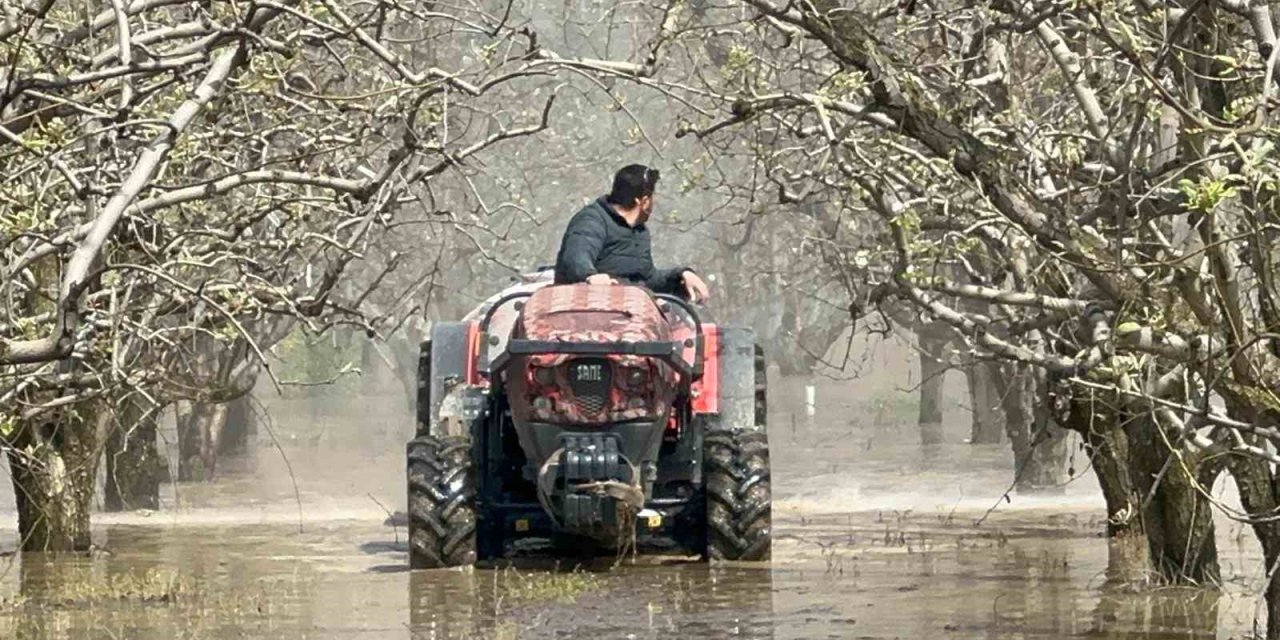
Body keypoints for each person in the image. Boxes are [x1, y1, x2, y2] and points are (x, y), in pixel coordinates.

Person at [553, 164, 712, 303]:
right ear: (643, 201)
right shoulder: (591, 220)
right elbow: (575, 258)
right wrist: (590, 276)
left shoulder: (640, 232)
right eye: (652, 196)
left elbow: (647, 278)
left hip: (631, 314)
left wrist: (681, 276)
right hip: (587, 310)